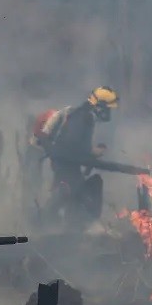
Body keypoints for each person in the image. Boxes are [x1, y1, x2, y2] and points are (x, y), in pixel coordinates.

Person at [40, 86, 119, 226]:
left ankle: (54, 223)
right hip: (66, 162)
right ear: (99, 106)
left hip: (67, 162)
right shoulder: (83, 117)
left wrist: (91, 153)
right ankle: (46, 223)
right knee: (73, 192)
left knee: (75, 193)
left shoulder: (84, 116)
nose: (108, 112)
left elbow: (79, 146)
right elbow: (72, 145)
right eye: (107, 108)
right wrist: (92, 153)